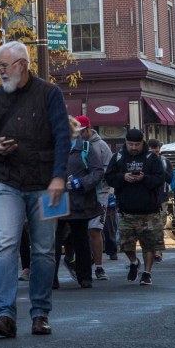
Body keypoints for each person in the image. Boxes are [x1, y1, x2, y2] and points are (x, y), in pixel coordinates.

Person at [0, 42, 72, 338]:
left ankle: (40, 313)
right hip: (5, 179)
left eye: (3, 66)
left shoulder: (49, 93)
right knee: (5, 244)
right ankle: (5, 314)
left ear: (22, 65)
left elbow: (62, 136)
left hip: (45, 182)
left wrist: (59, 177)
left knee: (43, 250)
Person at [105, 129, 166, 286]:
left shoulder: (151, 157)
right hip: (127, 210)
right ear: (126, 142)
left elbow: (161, 178)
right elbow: (109, 177)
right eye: (130, 144)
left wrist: (144, 178)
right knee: (124, 243)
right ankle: (134, 262)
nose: (133, 147)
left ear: (142, 142)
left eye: (137, 144)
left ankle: (147, 273)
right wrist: (123, 177)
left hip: (149, 211)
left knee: (150, 245)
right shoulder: (118, 157)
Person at [57, 116, 107, 288]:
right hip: (57, 200)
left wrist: (82, 182)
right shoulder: (53, 148)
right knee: (53, 242)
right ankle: (50, 279)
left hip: (79, 201)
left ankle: (84, 276)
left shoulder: (85, 147)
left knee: (81, 240)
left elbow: (98, 171)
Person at [71, 117, 111, 281]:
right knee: (74, 231)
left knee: (94, 230)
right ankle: (75, 261)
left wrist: (109, 191)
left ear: (88, 129)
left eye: (81, 132)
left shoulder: (101, 146)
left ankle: (99, 266)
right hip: (77, 195)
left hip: (99, 194)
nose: (79, 135)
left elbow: (107, 170)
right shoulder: (72, 146)